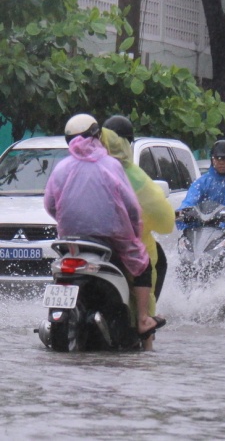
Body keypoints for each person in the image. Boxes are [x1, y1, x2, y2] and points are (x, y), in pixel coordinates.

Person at [44, 114, 165, 344]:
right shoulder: (111, 165)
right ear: (97, 135)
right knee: (142, 264)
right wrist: (134, 230)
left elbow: (50, 204)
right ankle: (142, 320)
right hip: (111, 238)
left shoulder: (62, 167)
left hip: (72, 239)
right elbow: (131, 206)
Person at [100, 115, 175, 351]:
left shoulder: (75, 167)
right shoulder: (131, 175)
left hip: (76, 240)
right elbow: (164, 221)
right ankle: (145, 333)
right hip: (122, 246)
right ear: (127, 143)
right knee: (148, 266)